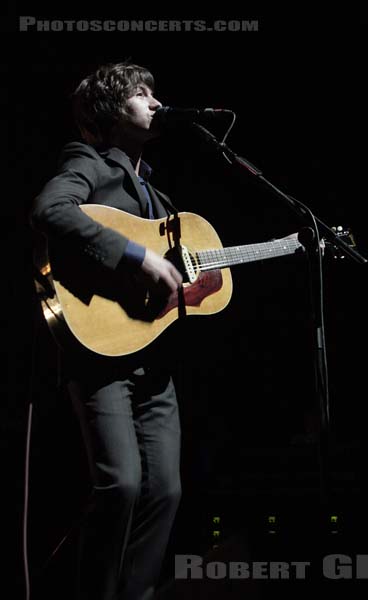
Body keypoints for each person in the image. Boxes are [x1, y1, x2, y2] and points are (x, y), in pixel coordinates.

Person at [30, 61, 184, 600]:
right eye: (141, 94)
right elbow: (50, 209)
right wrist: (138, 257)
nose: (154, 101)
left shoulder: (158, 200)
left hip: (153, 360)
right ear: (112, 112)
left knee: (164, 490)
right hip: (99, 355)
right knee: (121, 485)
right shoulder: (88, 162)